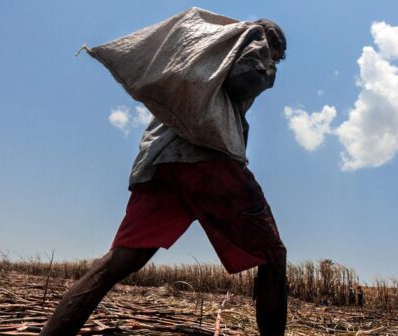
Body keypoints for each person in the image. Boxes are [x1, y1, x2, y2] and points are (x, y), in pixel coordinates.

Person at [40, 17, 288, 336]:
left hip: (161, 161)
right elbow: (241, 82)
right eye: (276, 54)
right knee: (272, 257)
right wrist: (267, 71)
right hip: (208, 159)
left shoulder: (203, 58)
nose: (273, 60)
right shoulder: (252, 38)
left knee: (119, 261)